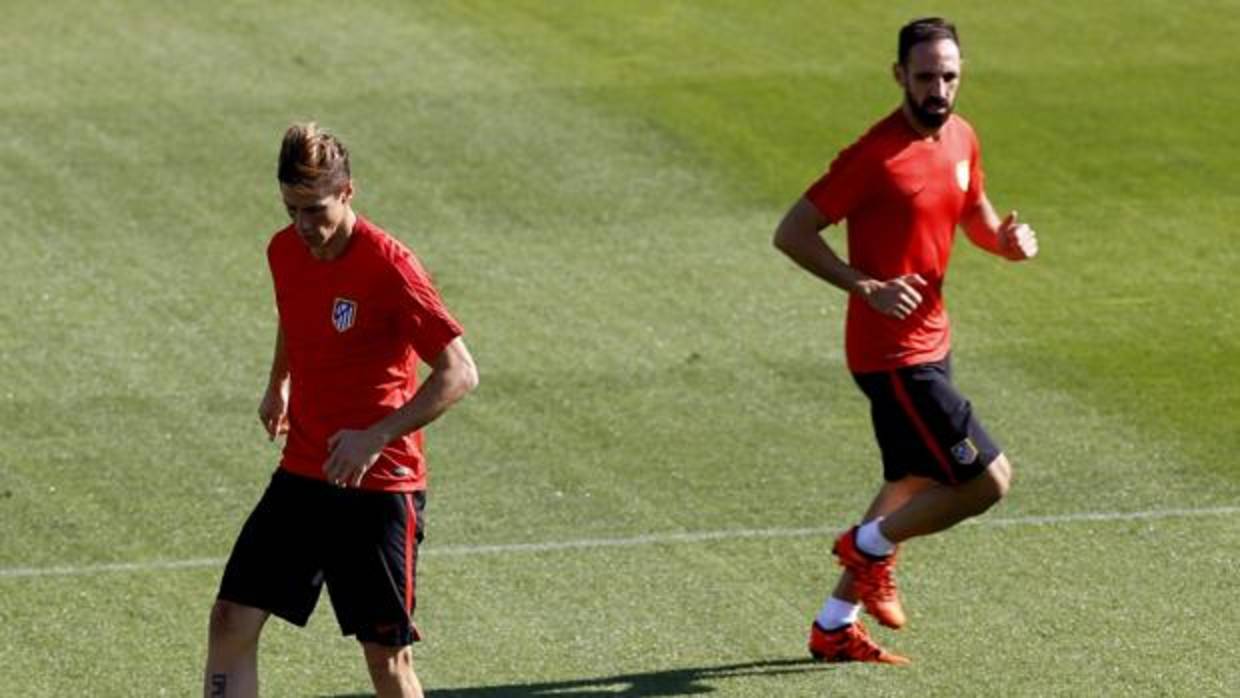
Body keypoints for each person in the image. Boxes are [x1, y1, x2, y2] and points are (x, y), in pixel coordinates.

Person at [772, 17, 1038, 664]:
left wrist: (1001, 243)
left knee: (913, 480)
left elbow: (973, 212)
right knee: (987, 482)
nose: (938, 89)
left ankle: (834, 623)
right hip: (892, 356)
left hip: (931, 343)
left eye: (948, 75)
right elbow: (793, 232)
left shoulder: (963, 137)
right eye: (924, 77)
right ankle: (865, 547)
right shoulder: (872, 158)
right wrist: (864, 286)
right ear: (899, 77)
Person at [203, 123, 479, 697]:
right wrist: (278, 381)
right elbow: (295, 310)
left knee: (386, 662)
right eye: (290, 209)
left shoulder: (391, 267)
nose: (303, 226)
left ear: (348, 192)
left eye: (315, 209)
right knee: (230, 620)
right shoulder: (285, 250)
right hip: (303, 472)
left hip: (378, 486)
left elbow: (459, 373)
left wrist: (376, 435)